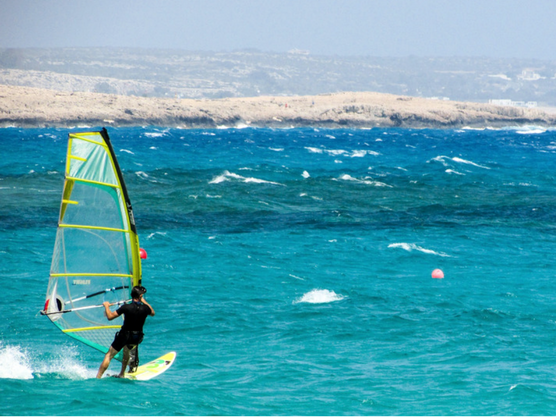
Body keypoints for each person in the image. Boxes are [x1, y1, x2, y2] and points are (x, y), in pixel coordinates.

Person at [96, 285, 155, 378]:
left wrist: (106, 306)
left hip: (124, 335)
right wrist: (144, 301)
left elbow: (110, 317)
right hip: (136, 337)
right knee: (126, 351)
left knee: (109, 355)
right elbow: (152, 313)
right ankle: (122, 374)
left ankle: (98, 377)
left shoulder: (126, 307)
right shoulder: (145, 309)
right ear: (140, 296)